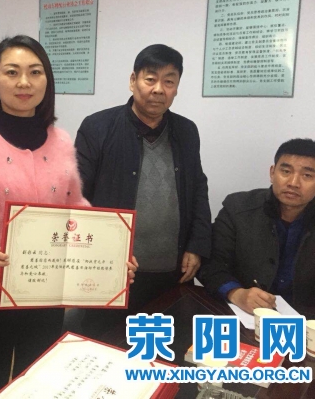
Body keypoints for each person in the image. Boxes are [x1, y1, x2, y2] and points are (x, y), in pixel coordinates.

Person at [0, 35, 138, 398]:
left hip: (47, 292)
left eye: (35, 72)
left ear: (46, 81)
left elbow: (75, 207)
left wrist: (112, 254)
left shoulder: (61, 141)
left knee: (40, 380)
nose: (24, 82)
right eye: (12, 72)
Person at [75, 44, 211, 339]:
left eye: (169, 81)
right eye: (150, 79)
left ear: (176, 88)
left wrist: (197, 245)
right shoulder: (97, 127)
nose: (159, 89)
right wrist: (97, 255)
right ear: (133, 80)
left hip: (172, 270)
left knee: (164, 346)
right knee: (106, 344)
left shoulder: (187, 131)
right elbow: (78, 196)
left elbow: (198, 188)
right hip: (114, 270)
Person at [199, 138, 315, 318]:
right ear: (272, 173)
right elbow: (210, 263)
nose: (293, 182)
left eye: (307, 175)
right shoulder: (237, 208)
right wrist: (235, 293)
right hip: (243, 317)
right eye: (286, 171)